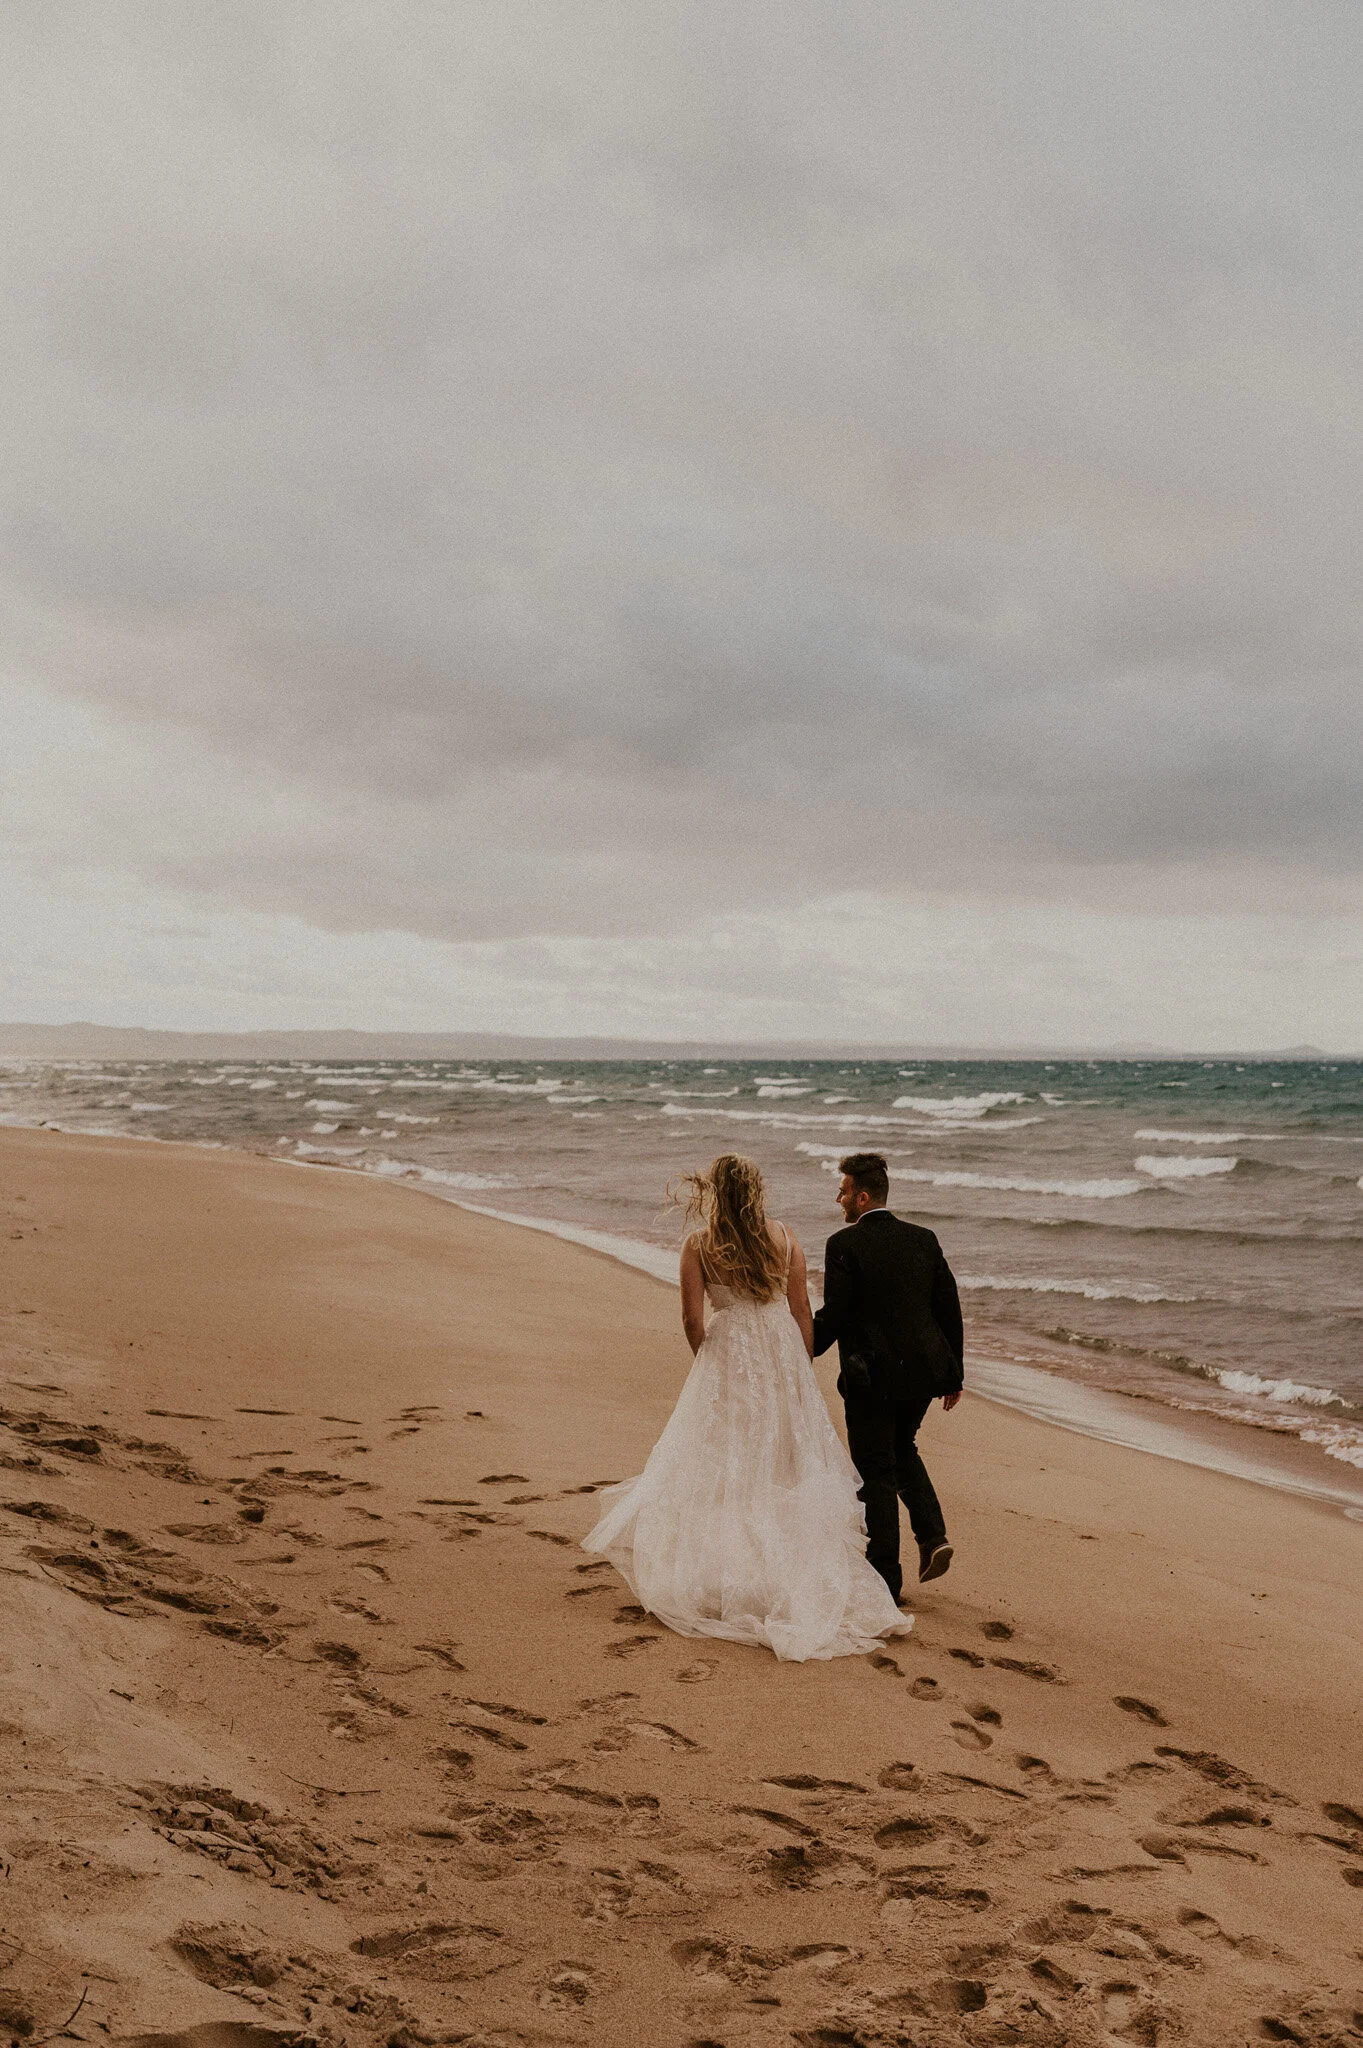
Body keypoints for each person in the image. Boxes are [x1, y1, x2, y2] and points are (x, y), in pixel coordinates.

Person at [583, 1153, 912, 1662]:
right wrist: (798, 1370)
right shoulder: (784, 1237)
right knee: (783, 1460)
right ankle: (787, 1571)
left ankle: (725, 1574)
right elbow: (802, 1309)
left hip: (730, 1352)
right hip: (781, 1352)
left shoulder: (699, 1245)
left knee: (726, 1458)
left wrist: (709, 1363)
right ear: (757, 1191)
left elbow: (693, 1317)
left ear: (716, 1192)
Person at [812, 1151, 964, 1601]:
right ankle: (933, 1536)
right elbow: (948, 1309)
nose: (837, 1198)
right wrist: (954, 1374)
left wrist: (800, 1347)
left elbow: (836, 1315)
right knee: (903, 1448)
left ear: (861, 1198)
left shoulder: (844, 1245)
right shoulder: (924, 1239)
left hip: (870, 1378)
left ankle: (884, 1582)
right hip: (922, 1374)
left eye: (842, 1191)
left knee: (875, 1470)